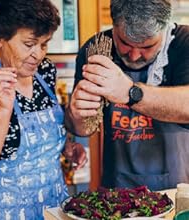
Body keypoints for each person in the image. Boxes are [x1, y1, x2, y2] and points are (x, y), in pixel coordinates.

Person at [0, 0, 87, 219]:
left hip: (50, 207)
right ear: (0, 39)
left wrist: (65, 147)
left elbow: (39, 136)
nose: (38, 54)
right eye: (29, 44)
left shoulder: (45, 71)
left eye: (44, 44)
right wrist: (3, 110)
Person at [66, 0, 189, 191]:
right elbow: (83, 130)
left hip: (176, 188)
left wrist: (130, 93)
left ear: (163, 30)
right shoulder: (97, 48)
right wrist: (76, 114)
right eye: (125, 43)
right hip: (116, 187)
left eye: (147, 47)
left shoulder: (184, 43)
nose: (134, 56)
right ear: (113, 26)